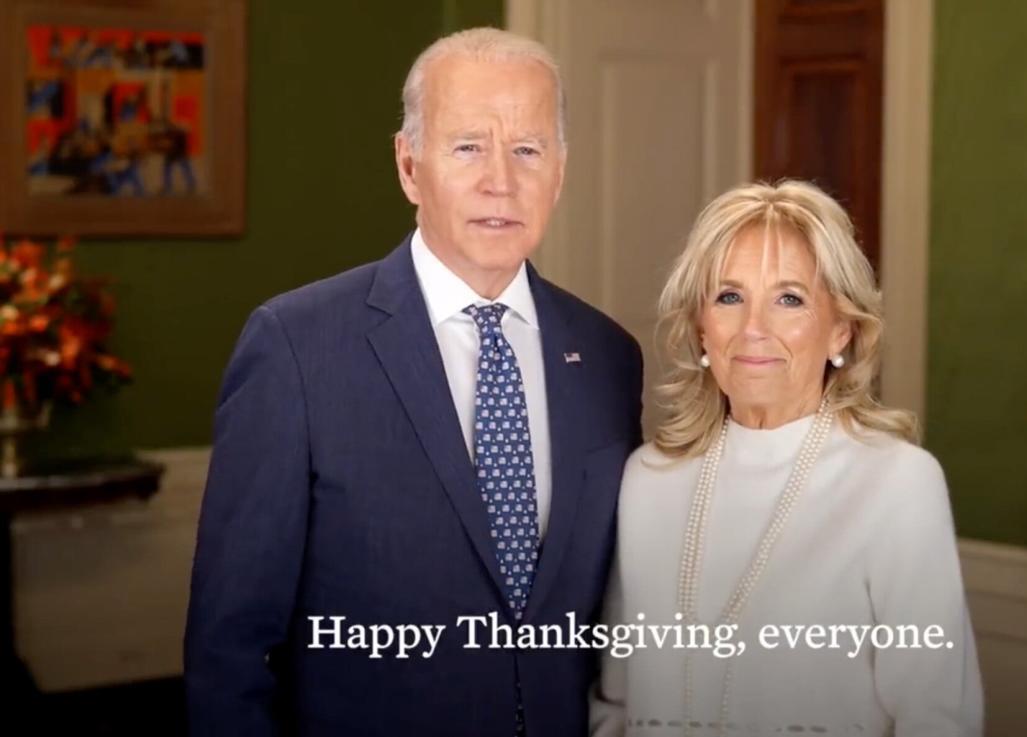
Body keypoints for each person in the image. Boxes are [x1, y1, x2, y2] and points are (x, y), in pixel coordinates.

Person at [185, 28, 644, 736]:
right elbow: (230, 650)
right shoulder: (297, 349)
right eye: (468, 146)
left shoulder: (610, 358)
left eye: (527, 149)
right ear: (409, 166)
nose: (501, 179)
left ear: (560, 170)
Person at [590, 180, 983, 736]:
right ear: (702, 328)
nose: (754, 329)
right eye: (729, 297)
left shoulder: (897, 484)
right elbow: (617, 702)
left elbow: (939, 718)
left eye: (789, 299)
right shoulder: (647, 479)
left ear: (840, 330)